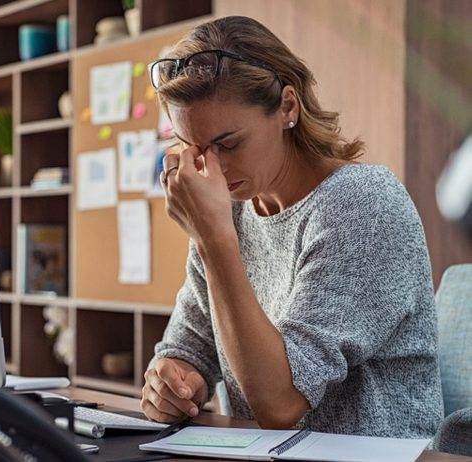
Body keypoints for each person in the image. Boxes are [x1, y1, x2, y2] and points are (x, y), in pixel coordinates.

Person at [140, 15, 443, 438]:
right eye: (194, 148)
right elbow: (190, 346)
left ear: (287, 107)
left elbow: (280, 403)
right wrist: (172, 381)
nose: (212, 167)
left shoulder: (362, 204)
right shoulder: (231, 211)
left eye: (228, 144)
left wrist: (213, 239)